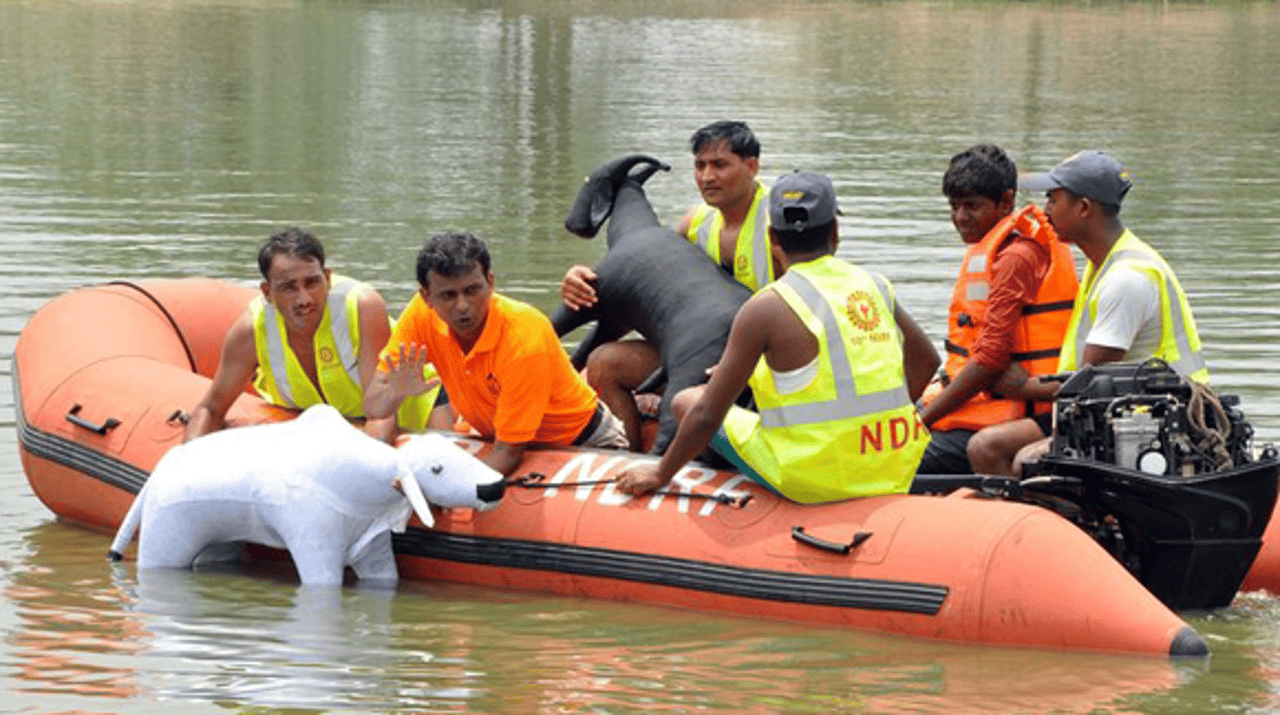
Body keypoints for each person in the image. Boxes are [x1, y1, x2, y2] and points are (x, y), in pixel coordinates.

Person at [615, 172, 939, 502]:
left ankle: (726, 477)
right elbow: (928, 362)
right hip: (893, 463)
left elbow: (707, 414)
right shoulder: (874, 284)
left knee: (687, 400)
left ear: (772, 238)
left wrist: (660, 472)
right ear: (835, 233)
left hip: (812, 477)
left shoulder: (767, 305)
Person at [966, 150, 1210, 476]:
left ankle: (1062, 523)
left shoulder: (1127, 279)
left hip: (1152, 419)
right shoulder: (1102, 263)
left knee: (1028, 460)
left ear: (1083, 208)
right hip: (1113, 408)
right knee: (984, 447)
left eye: (1054, 199)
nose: (1045, 210)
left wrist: (1024, 388)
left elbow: (1092, 380)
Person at [559, 120, 778, 449]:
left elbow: (807, 310)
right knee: (602, 363)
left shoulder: (778, 227)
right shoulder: (695, 223)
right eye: (700, 166)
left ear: (752, 167)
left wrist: (743, 364)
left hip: (763, 361)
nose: (707, 177)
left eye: (720, 165)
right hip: (701, 354)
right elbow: (649, 292)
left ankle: (683, 456)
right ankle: (628, 456)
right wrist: (582, 282)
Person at [363, 231, 629, 477]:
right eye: (448, 295)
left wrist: (439, 481)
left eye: (472, 290)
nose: (463, 306)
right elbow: (374, 408)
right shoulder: (420, 317)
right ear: (427, 297)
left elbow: (508, 454)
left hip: (581, 441)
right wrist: (397, 393)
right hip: (489, 433)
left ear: (490, 282)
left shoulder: (524, 338)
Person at [186, 227, 439, 441]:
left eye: (312, 282)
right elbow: (210, 408)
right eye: (288, 288)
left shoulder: (362, 307)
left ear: (327, 279)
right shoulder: (250, 331)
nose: (304, 299)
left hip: (416, 413)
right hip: (335, 428)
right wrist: (184, 465)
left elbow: (380, 416)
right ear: (266, 292)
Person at [915, 145, 1079, 474]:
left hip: (1018, 410)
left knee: (900, 457)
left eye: (972, 206)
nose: (960, 217)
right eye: (955, 206)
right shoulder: (996, 246)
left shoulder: (1016, 256)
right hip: (988, 398)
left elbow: (990, 359)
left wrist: (921, 421)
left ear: (1005, 201)